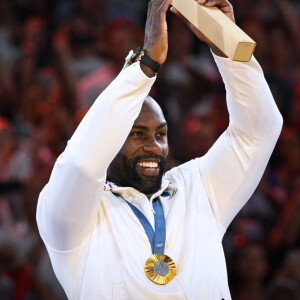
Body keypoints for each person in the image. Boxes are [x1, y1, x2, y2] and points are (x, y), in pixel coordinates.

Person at [36, 0, 283, 299]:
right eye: (137, 134)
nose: (153, 146)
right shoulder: (70, 214)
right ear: (111, 138)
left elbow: (258, 132)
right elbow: (81, 165)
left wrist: (226, 44)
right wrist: (145, 67)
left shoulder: (198, 189)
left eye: (161, 134)